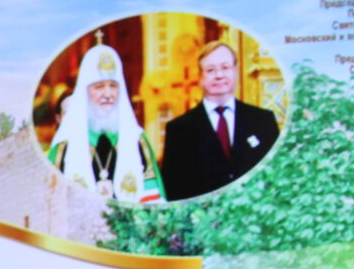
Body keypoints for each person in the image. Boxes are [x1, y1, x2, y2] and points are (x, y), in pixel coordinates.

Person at [159, 40, 281, 201]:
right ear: (200, 76)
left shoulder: (263, 120)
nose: (219, 75)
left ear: (235, 71)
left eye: (225, 67)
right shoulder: (179, 129)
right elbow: (174, 192)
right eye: (210, 70)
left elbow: (277, 177)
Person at [46, 41, 160, 202]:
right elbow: (51, 200)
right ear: (85, 92)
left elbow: (153, 198)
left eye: (113, 86)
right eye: (99, 87)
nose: (108, 94)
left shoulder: (137, 139)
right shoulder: (64, 144)